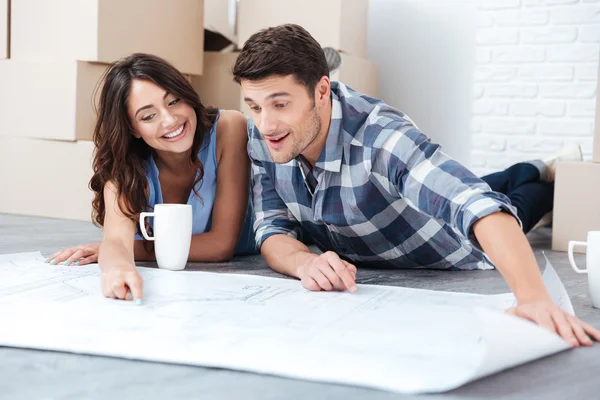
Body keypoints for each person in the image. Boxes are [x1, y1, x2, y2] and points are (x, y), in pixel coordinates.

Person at [232, 24, 600, 347]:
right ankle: (535, 165)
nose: (266, 124)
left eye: (280, 104)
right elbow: (272, 228)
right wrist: (303, 262)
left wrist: (534, 297)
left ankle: (550, 179)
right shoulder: (265, 137)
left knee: (515, 203)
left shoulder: (382, 139)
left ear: (322, 91)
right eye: (255, 106)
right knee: (488, 179)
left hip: (450, 247)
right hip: (389, 218)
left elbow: (472, 204)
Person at [46, 53, 257, 303]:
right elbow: (116, 241)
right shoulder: (124, 167)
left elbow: (220, 245)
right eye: (148, 116)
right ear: (132, 128)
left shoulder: (229, 128)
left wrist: (128, 250)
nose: (169, 120)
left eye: (174, 101)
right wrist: (118, 267)